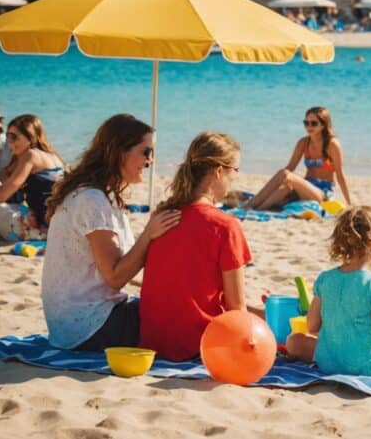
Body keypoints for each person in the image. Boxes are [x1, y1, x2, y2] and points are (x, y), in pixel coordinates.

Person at [41, 114, 182, 351]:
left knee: (176, 302)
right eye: (146, 151)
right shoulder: (92, 200)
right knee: (185, 316)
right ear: (119, 152)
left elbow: (114, 270)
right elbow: (115, 277)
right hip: (90, 327)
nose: (151, 161)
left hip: (73, 323)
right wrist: (149, 234)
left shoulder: (94, 194)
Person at [139, 132, 261, 361]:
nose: (236, 177)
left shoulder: (162, 216)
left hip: (153, 342)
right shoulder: (225, 226)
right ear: (218, 171)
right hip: (199, 346)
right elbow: (236, 308)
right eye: (235, 170)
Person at [287, 206, 371, 375]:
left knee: (293, 341)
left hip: (329, 362)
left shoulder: (325, 279)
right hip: (369, 365)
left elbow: (312, 326)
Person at [248, 106, 351, 210]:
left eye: (314, 123)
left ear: (323, 125)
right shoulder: (303, 142)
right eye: (306, 123)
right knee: (285, 186)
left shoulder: (332, 144)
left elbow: (340, 175)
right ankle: (256, 208)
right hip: (305, 187)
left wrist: (349, 203)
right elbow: (290, 167)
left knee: (285, 174)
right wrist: (280, 184)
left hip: (323, 193)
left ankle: (250, 205)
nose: (309, 126)